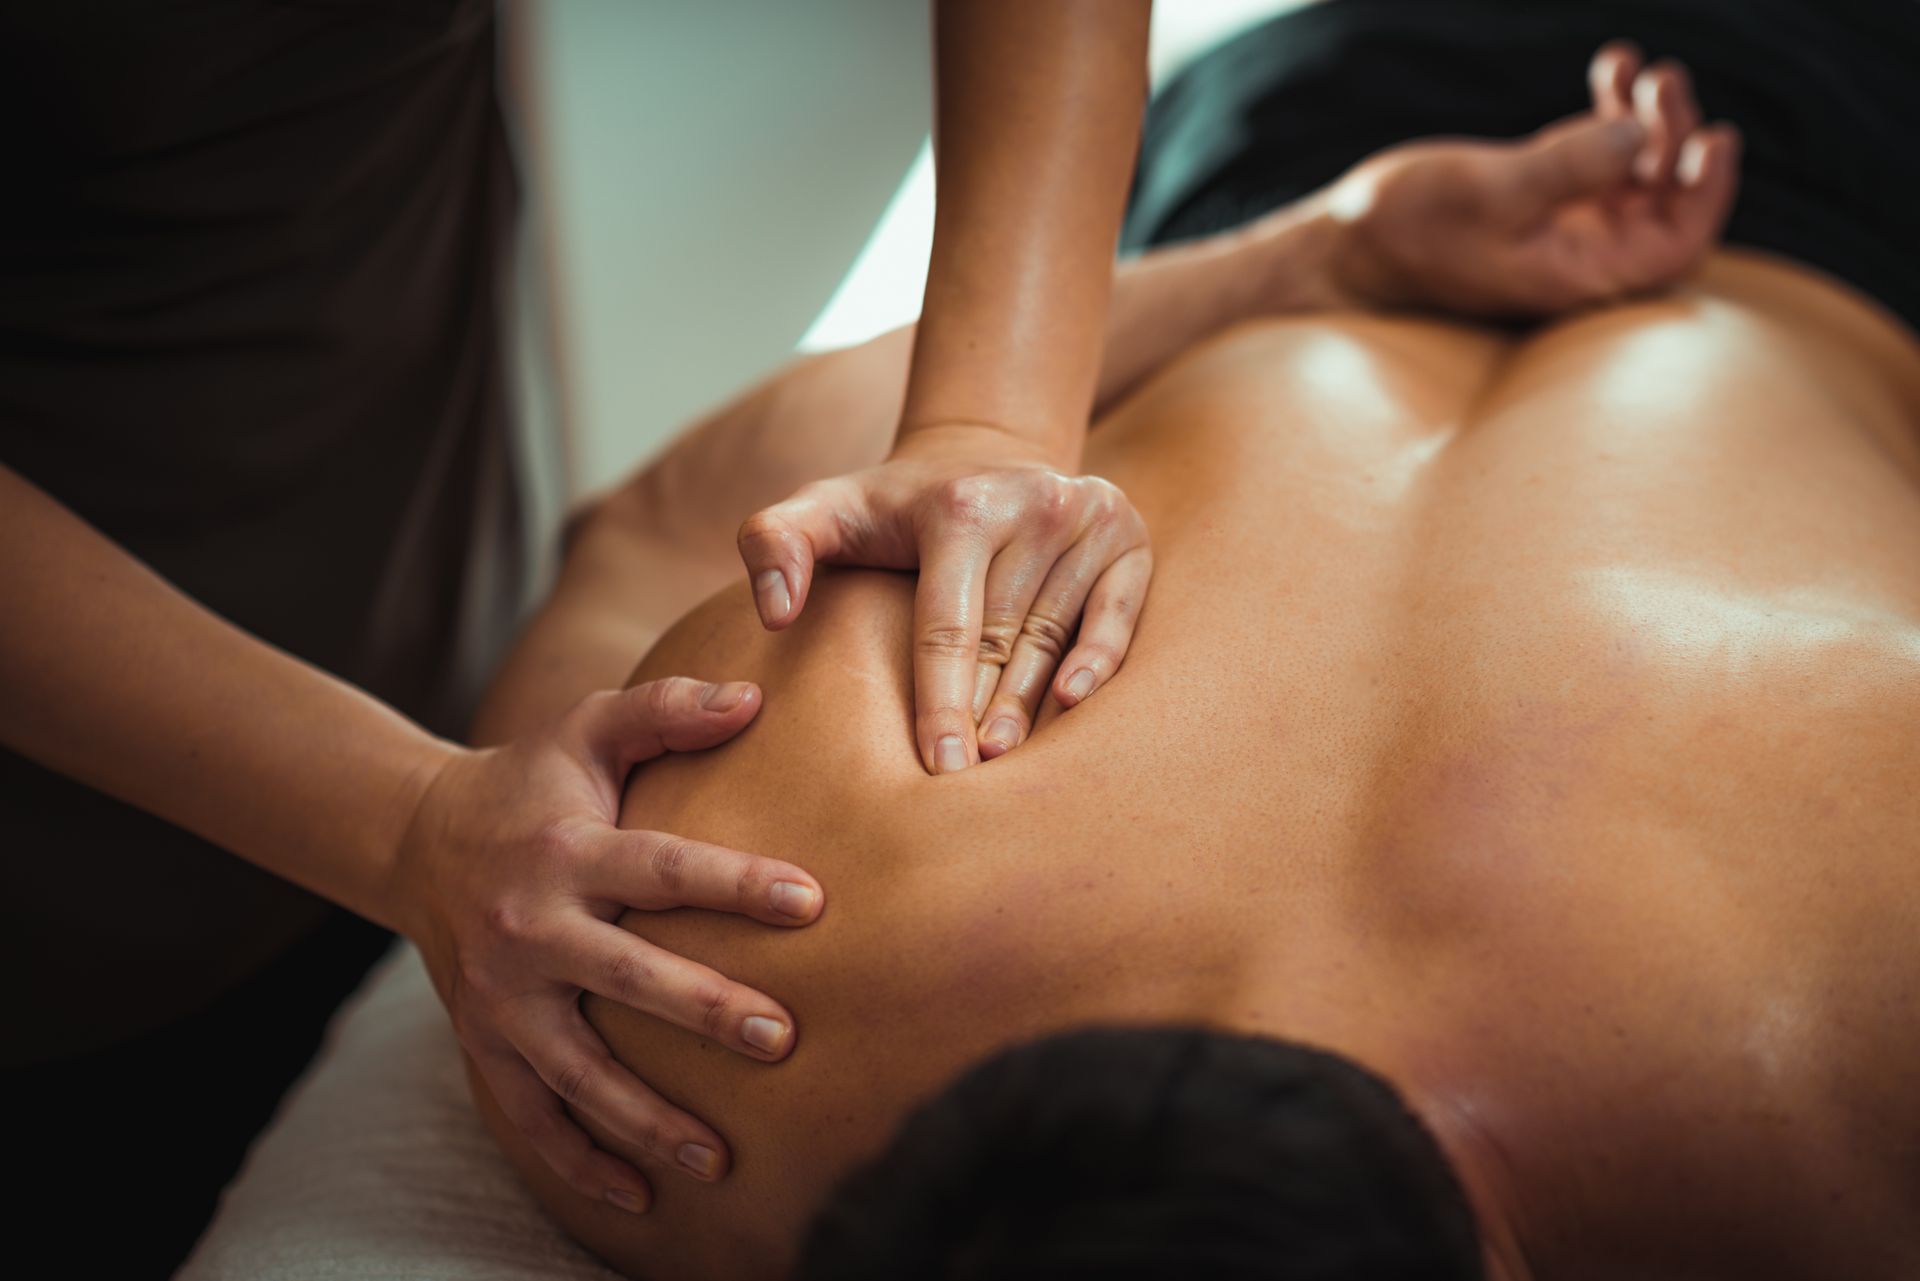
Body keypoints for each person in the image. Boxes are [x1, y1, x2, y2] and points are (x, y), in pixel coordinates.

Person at [457, 6, 1920, 1278]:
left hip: (1452, 203)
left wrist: (1326, 250)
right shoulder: (697, 1051)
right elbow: (647, 526)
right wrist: (1307, 252)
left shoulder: (1848, 1114)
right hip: (1322, 139)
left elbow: (646, 522)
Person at [0, 1, 1162, 1269]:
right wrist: (397, 821)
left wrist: (990, 426)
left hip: (423, 581)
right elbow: (651, 520)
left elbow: (646, 521)